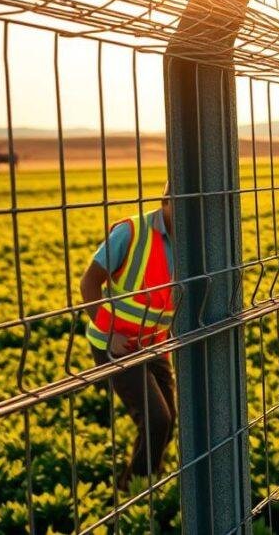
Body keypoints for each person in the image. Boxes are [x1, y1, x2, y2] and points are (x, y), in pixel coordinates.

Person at [79, 185, 176, 490]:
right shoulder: (132, 232)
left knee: (168, 421)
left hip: (154, 344)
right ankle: (134, 490)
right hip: (116, 345)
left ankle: (146, 481)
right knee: (157, 420)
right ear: (166, 201)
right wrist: (109, 333)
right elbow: (89, 283)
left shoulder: (192, 238)